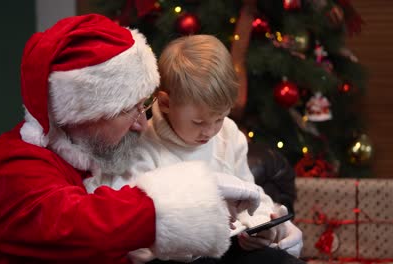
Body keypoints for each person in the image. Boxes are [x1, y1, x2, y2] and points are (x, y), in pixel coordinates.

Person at [0, 14, 263, 263]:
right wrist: (194, 194)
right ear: (82, 112)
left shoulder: (97, 152)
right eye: (130, 109)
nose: (142, 122)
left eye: (144, 104)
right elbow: (78, 224)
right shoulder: (13, 164)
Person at [84, 34, 304, 263]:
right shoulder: (142, 149)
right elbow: (135, 241)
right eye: (198, 123)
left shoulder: (229, 134)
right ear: (166, 103)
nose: (210, 131)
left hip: (231, 247)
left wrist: (260, 227)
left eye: (219, 118)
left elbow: (251, 198)